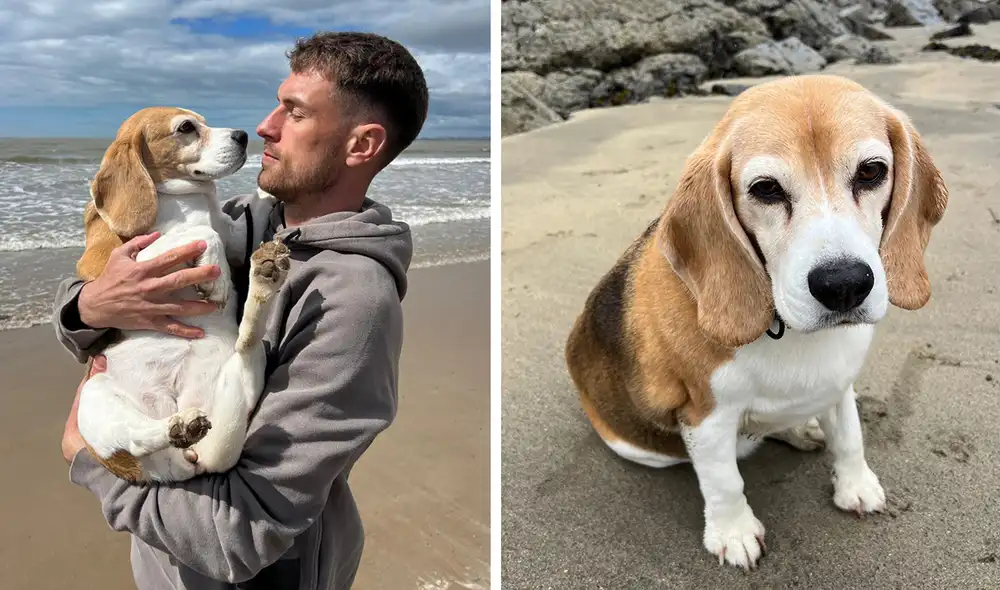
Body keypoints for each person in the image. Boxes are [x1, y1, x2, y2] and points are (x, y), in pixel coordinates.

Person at [51, 31, 428, 590]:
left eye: (294, 112)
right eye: (277, 103)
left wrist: (88, 460)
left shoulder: (354, 302)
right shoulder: (239, 220)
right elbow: (94, 274)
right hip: (161, 557)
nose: (266, 126)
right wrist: (90, 306)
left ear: (361, 146)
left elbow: (239, 537)